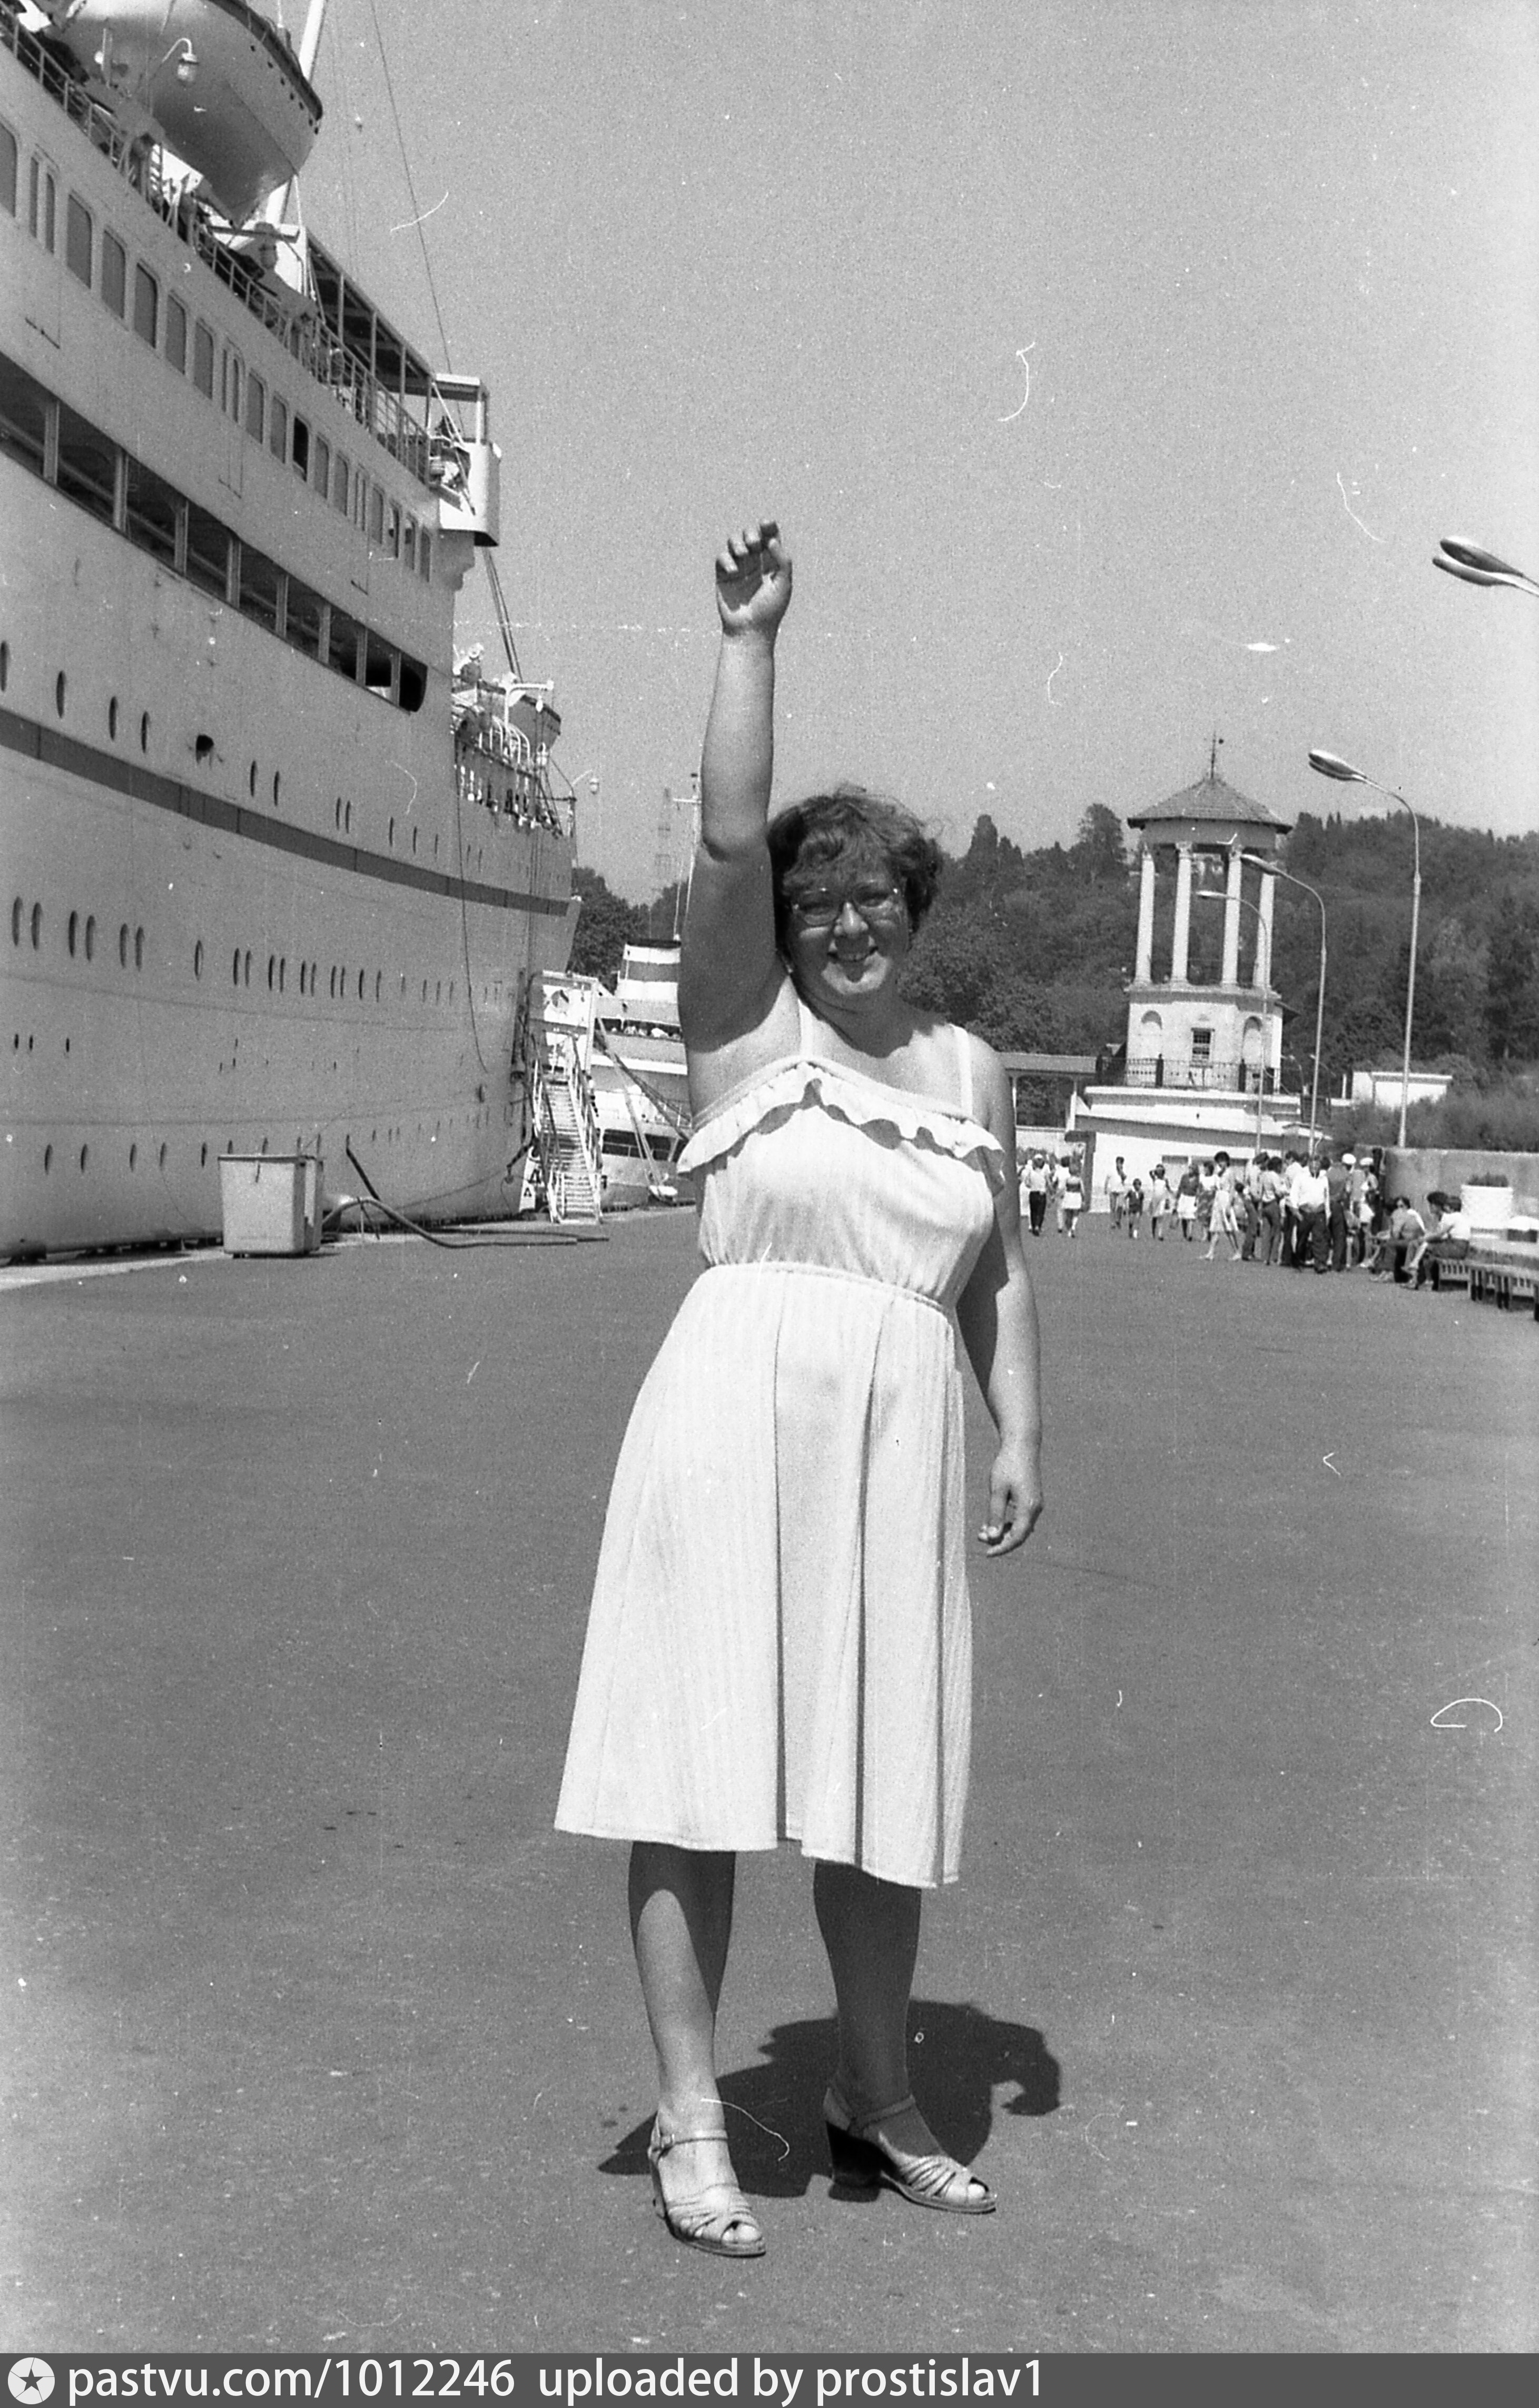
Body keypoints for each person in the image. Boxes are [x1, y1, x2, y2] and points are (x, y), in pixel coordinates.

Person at [556, 524, 1044, 2258]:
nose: (845, 924)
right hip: (733, 1418)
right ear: (780, 924)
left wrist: (1018, 1426)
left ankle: (875, 2092)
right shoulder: (744, 1030)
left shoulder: (970, 1068)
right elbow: (720, 830)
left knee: (878, 1779)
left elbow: (996, 1267)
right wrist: (748, 639)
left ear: (917, 911)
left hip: (897, 1442)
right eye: (815, 901)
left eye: (873, 899)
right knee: (695, 1769)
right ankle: (695, 2117)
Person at [1106, 1156, 1128, 1231]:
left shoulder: (1123, 1170)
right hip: (1113, 1190)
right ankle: (1112, 1223)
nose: (1119, 1164)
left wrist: (1121, 1171)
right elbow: (1107, 1179)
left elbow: (1124, 1178)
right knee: (1113, 1207)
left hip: (1121, 1190)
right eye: (1118, 1163)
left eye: (1121, 1163)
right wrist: (1106, 1188)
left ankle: (1118, 1220)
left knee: (1120, 1206)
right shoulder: (1112, 1170)